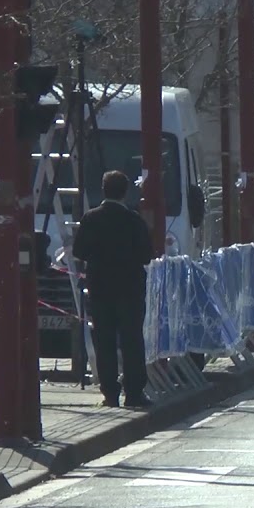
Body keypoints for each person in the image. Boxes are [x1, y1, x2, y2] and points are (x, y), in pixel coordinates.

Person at [71, 170, 152, 409]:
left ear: (103, 189)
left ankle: (110, 392)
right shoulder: (134, 220)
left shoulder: (91, 218)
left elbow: (79, 251)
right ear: (125, 192)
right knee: (132, 339)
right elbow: (146, 255)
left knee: (104, 340)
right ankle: (134, 392)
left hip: (100, 288)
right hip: (130, 288)